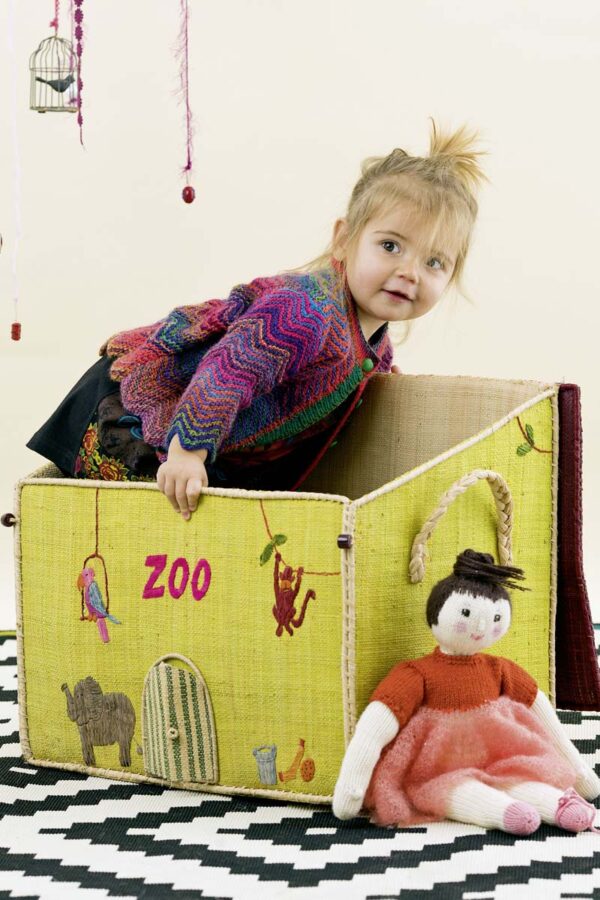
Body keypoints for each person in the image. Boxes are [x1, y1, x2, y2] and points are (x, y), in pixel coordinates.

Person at [28, 120, 487, 519]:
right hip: (144, 411)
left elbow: (362, 387)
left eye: (434, 262)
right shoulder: (305, 312)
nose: (409, 272)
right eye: (390, 246)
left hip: (212, 446)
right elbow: (227, 372)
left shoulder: (375, 347)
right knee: (144, 519)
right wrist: (187, 451)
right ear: (344, 240)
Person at [332, 550, 600, 835]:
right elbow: (374, 729)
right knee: (459, 791)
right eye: (466, 613)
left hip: (499, 760)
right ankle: (505, 812)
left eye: (495, 617)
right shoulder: (416, 675)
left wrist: (579, 772)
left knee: (518, 778)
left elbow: (543, 715)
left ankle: (558, 805)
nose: (482, 627)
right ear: (436, 612)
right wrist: (352, 786)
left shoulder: (499, 669)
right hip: (440, 770)